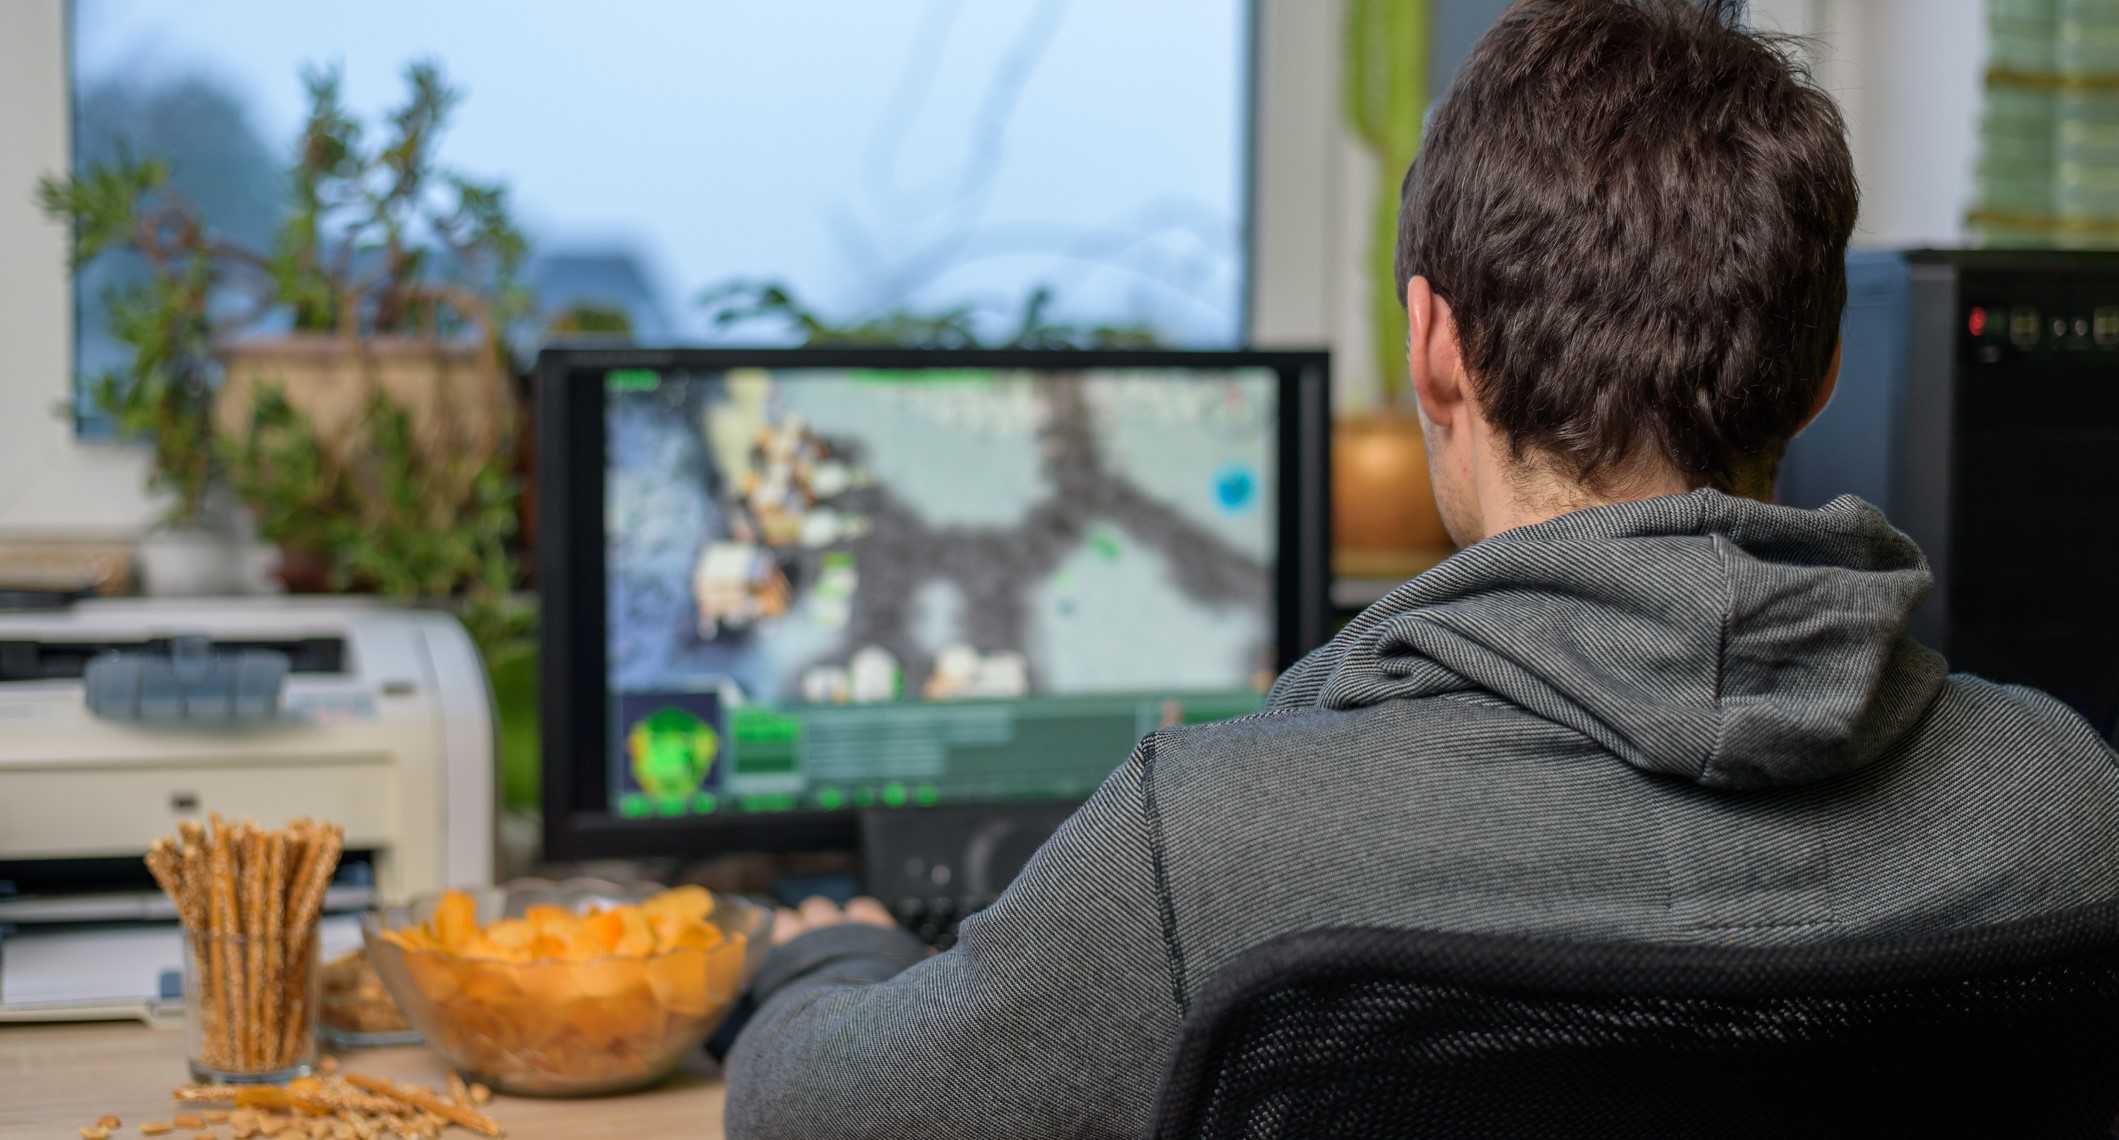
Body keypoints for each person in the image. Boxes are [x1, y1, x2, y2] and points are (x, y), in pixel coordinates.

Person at [723, 2, 2119, 1136]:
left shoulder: (1212, 850)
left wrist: (821, 959)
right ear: (1821, 374)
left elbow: (818, 1117)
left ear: (1436, 347)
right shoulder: (2065, 805)